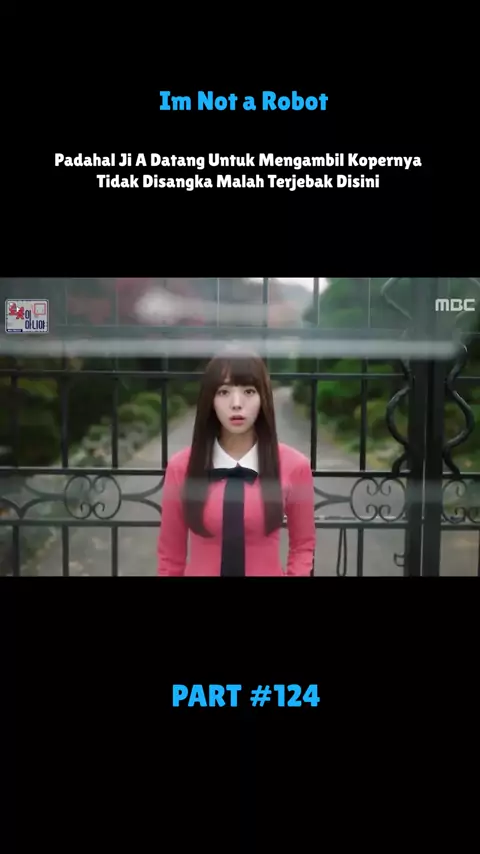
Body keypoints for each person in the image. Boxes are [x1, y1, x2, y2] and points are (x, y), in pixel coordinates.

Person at [157, 351, 316, 576]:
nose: (237, 404)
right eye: (224, 392)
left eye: (249, 391)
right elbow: (170, 556)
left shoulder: (294, 466)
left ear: (263, 398)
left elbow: (303, 545)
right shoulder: (181, 467)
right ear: (210, 399)